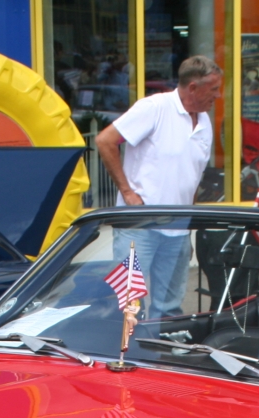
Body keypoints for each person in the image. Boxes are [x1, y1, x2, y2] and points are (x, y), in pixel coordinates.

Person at [95, 55, 223, 317]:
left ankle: (162, 354)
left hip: (178, 228)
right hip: (139, 226)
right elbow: (105, 140)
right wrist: (128, 193)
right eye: (214, 89)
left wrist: (190, 219)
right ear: (193, 88)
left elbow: (191, 174)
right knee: (128, 304)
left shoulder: (205, 120)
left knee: (169, 308)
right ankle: (124, 355)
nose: (218, 96)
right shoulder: (154, 107)